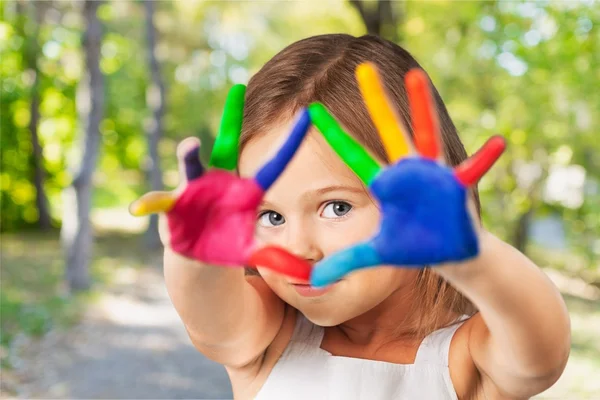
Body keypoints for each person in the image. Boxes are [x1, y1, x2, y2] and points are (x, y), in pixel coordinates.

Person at [150, 34, 570, 399]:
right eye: (270, 216)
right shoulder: (268, 336)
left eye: (337, 207)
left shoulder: (467, 356)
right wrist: (194, 251)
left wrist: (471, 254)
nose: (299, 247)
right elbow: (210, 320)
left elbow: (541, 355)